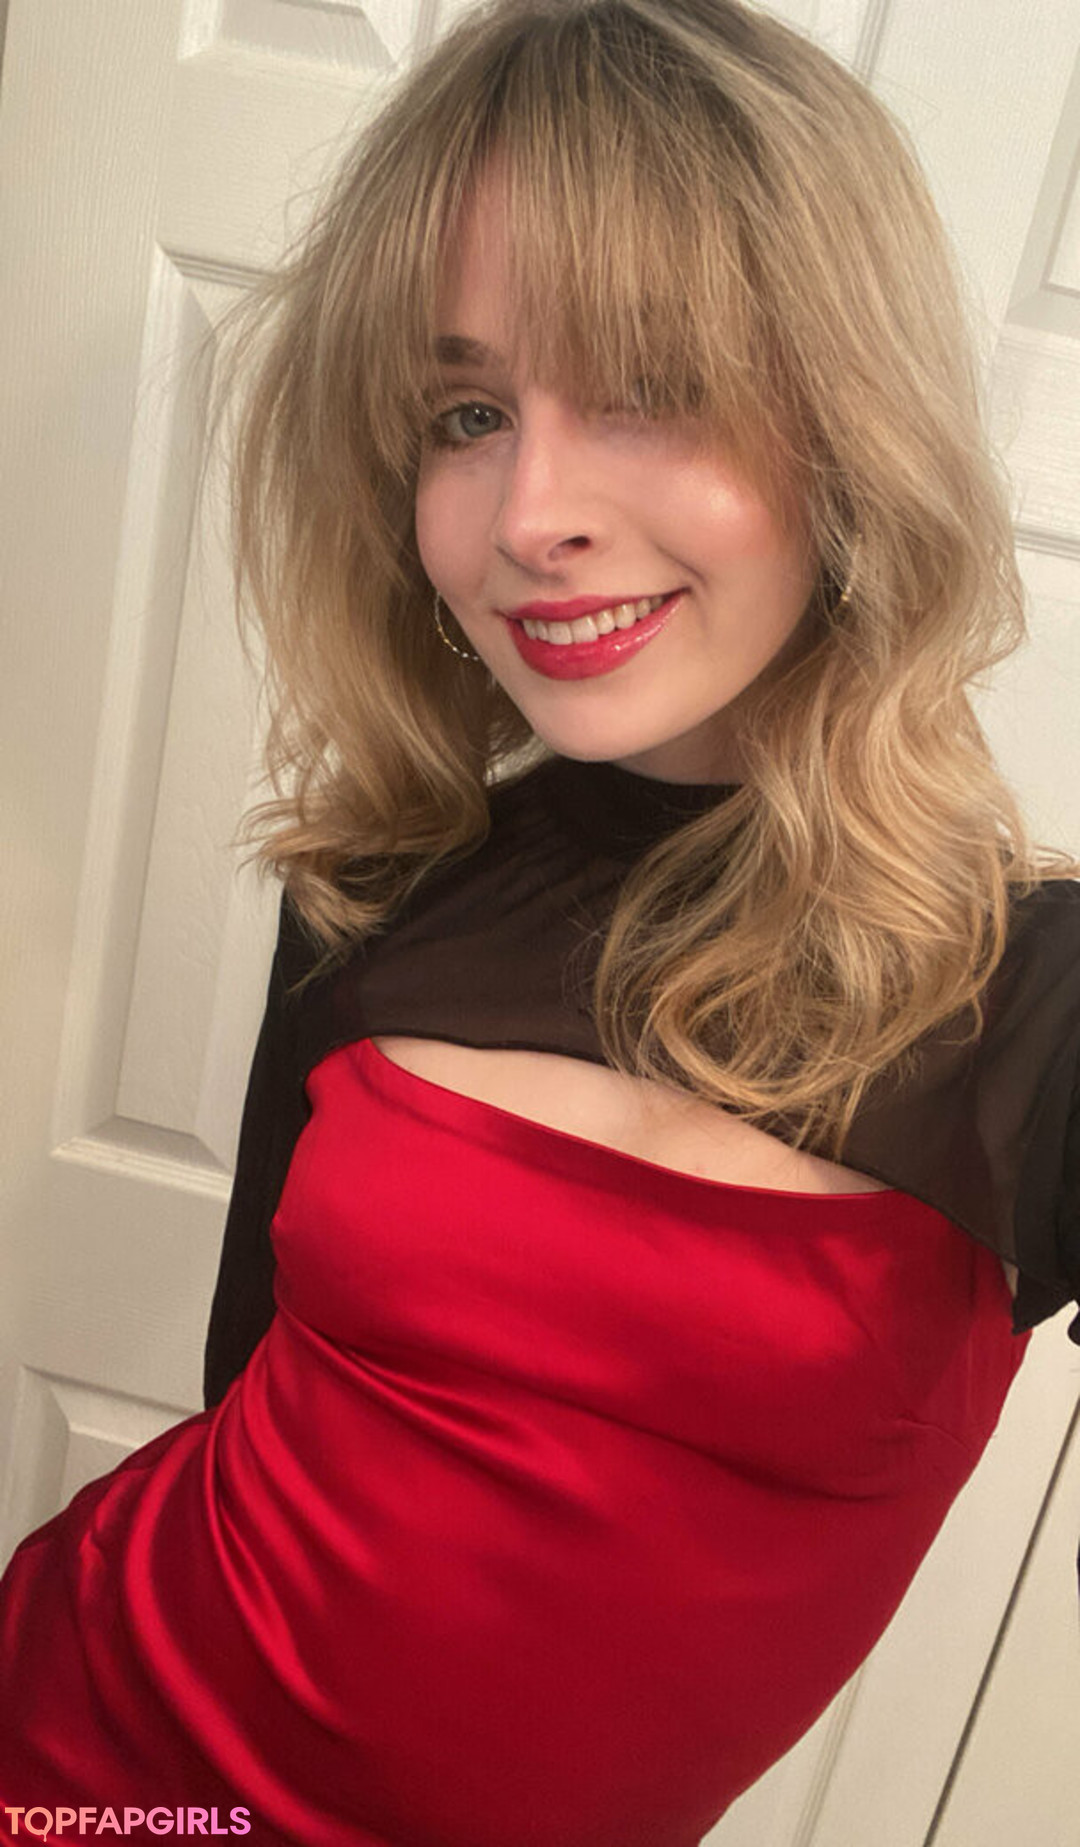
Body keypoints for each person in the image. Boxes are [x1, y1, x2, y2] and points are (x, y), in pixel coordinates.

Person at [2, 1, 1080, 1841]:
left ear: (849, 420)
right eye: (469, 416)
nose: (532, 512)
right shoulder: (384, 882)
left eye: (650, 386)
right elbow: (248, 1379)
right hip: (81, 1758)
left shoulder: (1035, 1005)